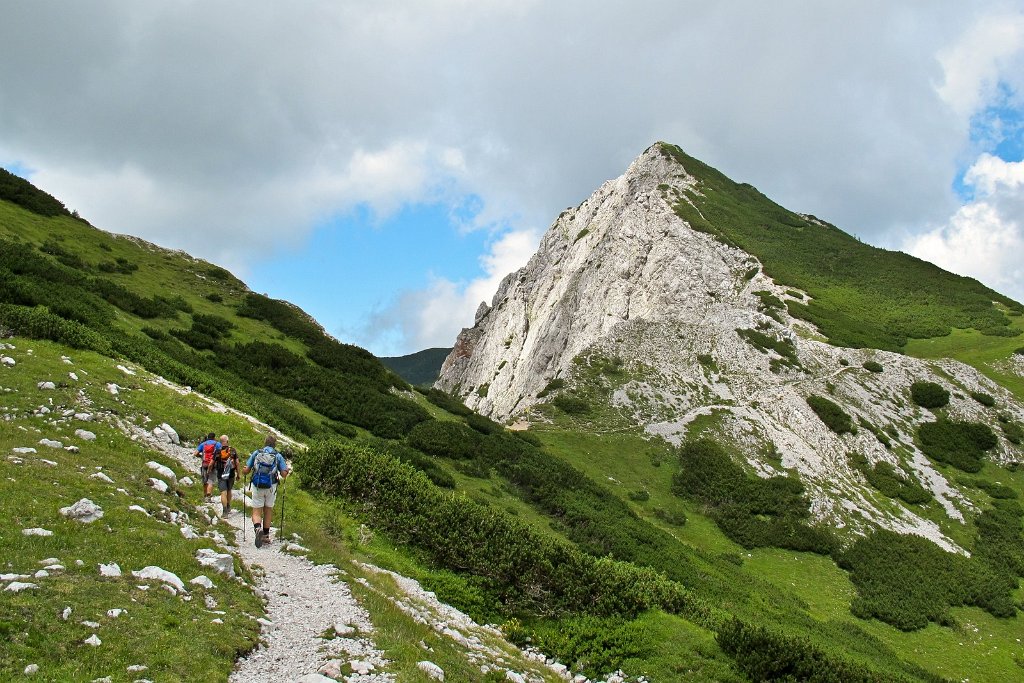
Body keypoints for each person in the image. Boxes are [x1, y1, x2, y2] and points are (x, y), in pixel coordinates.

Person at [243, 434, 289, 547]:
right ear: (275, 444)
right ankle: (266, 536)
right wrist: (287, 471)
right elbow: (283, 474)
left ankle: (257, 528)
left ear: (265, 442)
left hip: (257, 485)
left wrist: (244, 470)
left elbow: (246, 470)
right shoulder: (277, 455)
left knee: (256, 510)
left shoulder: (257, 453)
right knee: (268, 509)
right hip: (271, 486)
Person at [215, 434, 239, 515]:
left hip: (221, 474)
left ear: (220, 442)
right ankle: (228, 506)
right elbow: (237, 463)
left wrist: (209, 471)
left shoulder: (217, 451)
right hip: (231, 473)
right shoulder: (232, 450)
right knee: (229, 490)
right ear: (227, 441)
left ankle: (224, 511)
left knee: (223, 492)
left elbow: (212, 462)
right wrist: (238, 474)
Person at [195, 432, 221, 498]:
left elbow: (195, 453)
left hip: (204, 464)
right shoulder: (217, 444)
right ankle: (209, 496)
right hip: (213, 465)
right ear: (214, 437)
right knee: (211, 481)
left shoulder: (203, 444)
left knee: (205, 481)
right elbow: (221, 454)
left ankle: (205, 496)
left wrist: (200, 456)